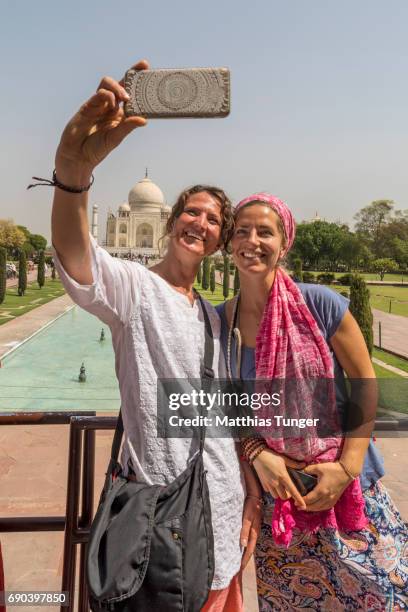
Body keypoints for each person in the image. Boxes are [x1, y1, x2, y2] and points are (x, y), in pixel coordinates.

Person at [49, 60, 261, 611]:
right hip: (163, 533)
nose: (200, 223)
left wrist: (252, 490)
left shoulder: (216, 319)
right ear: (169, 221)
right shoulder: (136, 290)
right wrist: (72, 172)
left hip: (223, 523)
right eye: (192, 212)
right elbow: (79, 257)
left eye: (214, 220)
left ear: (219, 240)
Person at [217, 192, 408, 610]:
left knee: (385, 595)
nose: (252, 240)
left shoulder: (317, 302)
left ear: (283, 243)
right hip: (280, 496)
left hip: (347, 486)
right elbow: (221, 407)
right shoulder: (220, 321)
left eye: (265, 232)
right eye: (242, 231)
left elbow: (364, 381)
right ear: (229, 243)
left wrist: (346, 468)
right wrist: (256, 453)